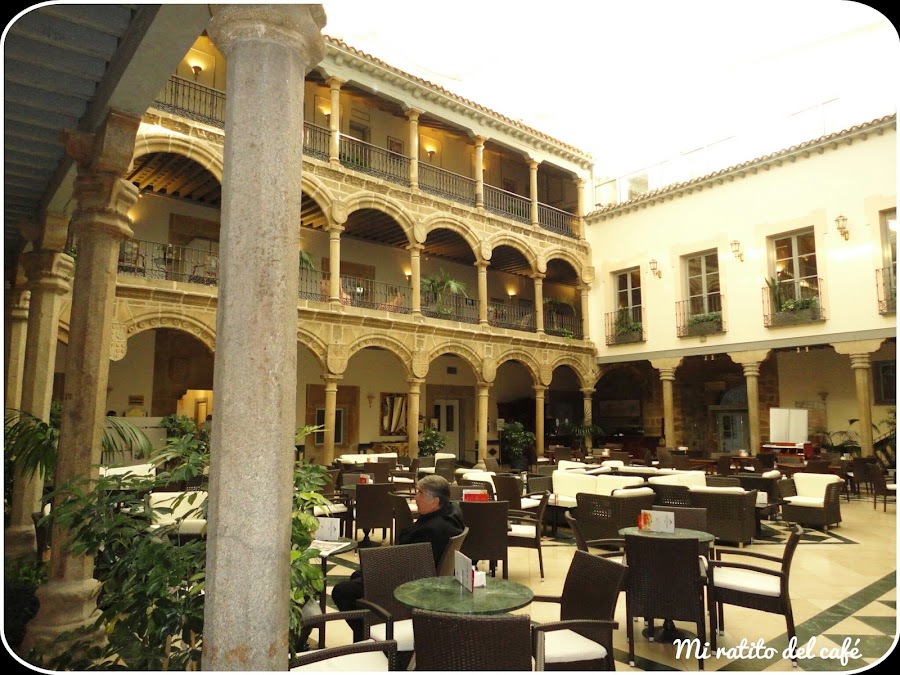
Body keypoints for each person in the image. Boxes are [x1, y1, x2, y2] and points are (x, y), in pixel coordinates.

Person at [330, 474, 464, 641]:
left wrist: (376, 567)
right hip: (421, 572)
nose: (415, 498)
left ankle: (369, 636)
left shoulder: (434, 530)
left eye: (420, 494)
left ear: (435, 501)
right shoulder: (452, 511)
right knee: (357, 576)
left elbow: (409, 564)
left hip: (410, 585)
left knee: (342, 591)